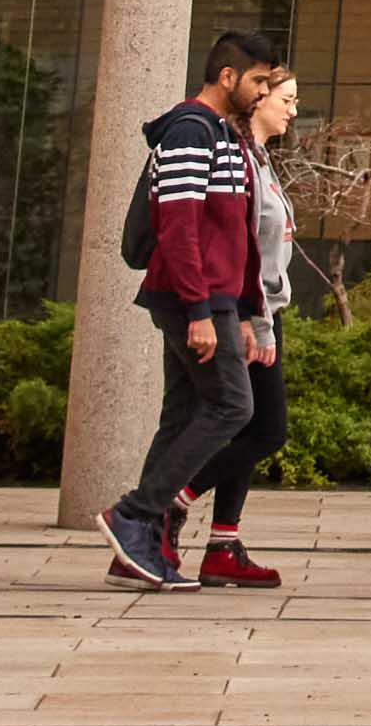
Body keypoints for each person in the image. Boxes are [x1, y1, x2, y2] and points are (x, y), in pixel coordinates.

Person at [100, 32, 286, 589]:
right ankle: (133, 515)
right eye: (257, 81)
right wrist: (201, 312)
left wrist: (252, 311)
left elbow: (237, 238)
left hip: (215, 299)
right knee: (234, 407)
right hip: (195, 299)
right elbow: (179, 229)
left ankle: (135, 549)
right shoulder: (189, 131)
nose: (263, 92)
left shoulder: (225, 137)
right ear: (227, 77)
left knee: (182, 416)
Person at [187, 58, 303, 590]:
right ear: (258, 99)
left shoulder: (262, 160)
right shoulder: (241, 162)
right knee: (264, 428)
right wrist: (253, 323)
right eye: (286, 99)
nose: (293, 110)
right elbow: (241, 249)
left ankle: (223, 545)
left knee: (251, 426)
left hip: (261, 312)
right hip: (245, 315)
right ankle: (169, 502)